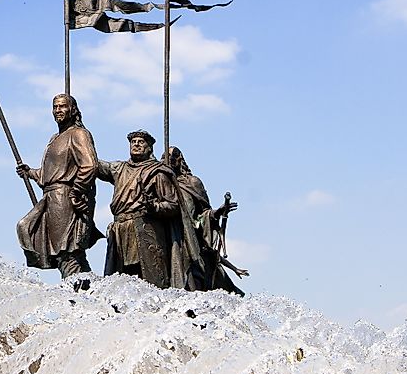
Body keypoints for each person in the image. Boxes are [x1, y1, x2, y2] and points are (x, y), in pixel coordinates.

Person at [15, 94, 104, 284]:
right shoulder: (55, 138)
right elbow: (50, 176)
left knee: (67, 251)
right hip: (51, 198)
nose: (58, 111)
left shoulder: (78, 134)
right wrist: (30, 172)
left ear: (73, 110)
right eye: (55, 107)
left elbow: (89, 165)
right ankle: (94, 293)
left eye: (62, 106)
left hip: (65, 200)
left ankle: (77, 297)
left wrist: (76, 191)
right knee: (67, 253)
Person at [96, 130, 178, 288]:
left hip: (144, 229)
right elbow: (95, 164)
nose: (136, 144)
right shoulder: (119, 168)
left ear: (149, 148)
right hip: (120, 231)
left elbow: (173, 204)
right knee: (117, 285)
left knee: (150, 284)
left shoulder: (157, 172)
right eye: (133, 142)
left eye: (141, 142)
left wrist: (154, 206)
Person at [168, 146, 248, 295]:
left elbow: (205, 212)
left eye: (174, 156)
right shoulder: (162, 184)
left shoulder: (192, 183)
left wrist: (217, 212)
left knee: (195, 282)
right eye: (165, 156)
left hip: (190, 240)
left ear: (180, 160)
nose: (169, 159)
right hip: (167, 239)